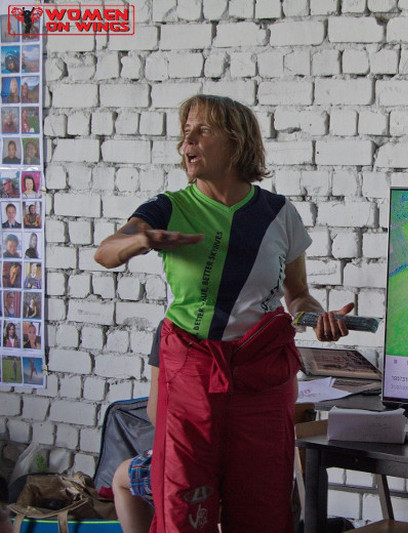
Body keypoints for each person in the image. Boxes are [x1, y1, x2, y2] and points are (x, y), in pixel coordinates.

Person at [95, 94, 354, 533]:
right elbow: (106, 252)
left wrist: (317, 318)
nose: (187, 143)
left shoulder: (279, 214)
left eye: (202, 131)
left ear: (236, 142)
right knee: (184, 510)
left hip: (262, 380)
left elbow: (298, 295)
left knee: (262, 510)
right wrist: (141, 240)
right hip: (191, 376)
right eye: (185, 134)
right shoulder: (166, 208)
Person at [112, 324, 161, 533]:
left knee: (122, 479)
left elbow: (156, 413)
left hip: (196, 462)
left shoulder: (174, 326)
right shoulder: (257, 318)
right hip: (253, 459)